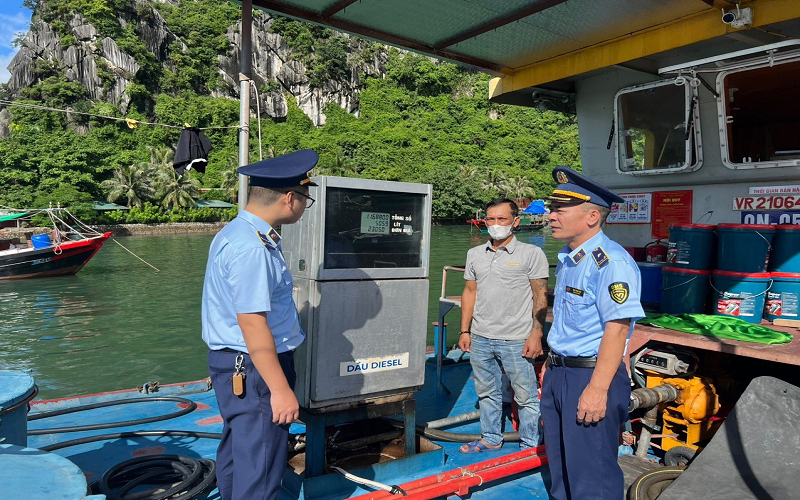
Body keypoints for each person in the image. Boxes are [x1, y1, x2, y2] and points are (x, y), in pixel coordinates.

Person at [201, 149, 318, 500]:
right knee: (263, 462)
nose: (302, 208)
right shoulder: (253, 248)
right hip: (256, 368)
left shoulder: (235, 233)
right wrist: (281, 390)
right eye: (305, 200)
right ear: (290, 199)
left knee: (240, 450)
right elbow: (253, 325)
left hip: (236, 364)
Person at [541, 166, 645, 500]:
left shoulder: (611, 262)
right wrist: (551, 362)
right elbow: (568, 321)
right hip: (561, 372)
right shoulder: (571, 259)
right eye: (552, 207)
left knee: (592, 477)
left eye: (561, 209)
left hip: (591, 377)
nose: (551, 214)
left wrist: (597, 390)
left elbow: (617, 330)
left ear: (591, 217)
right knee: (561, 468)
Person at [458, 198, 549, 453]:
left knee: (526, 396)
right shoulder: (475, 254)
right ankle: (490, 438)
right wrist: (465, 330)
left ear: (515, 222)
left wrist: (536, 333)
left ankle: (531, 445)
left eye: (502, 219)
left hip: (516, 338)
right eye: (491, 219)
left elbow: (540, 295)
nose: (496, 225)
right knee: (486, 392)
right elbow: (469, 292)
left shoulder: (531, 254)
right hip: (480, 337)